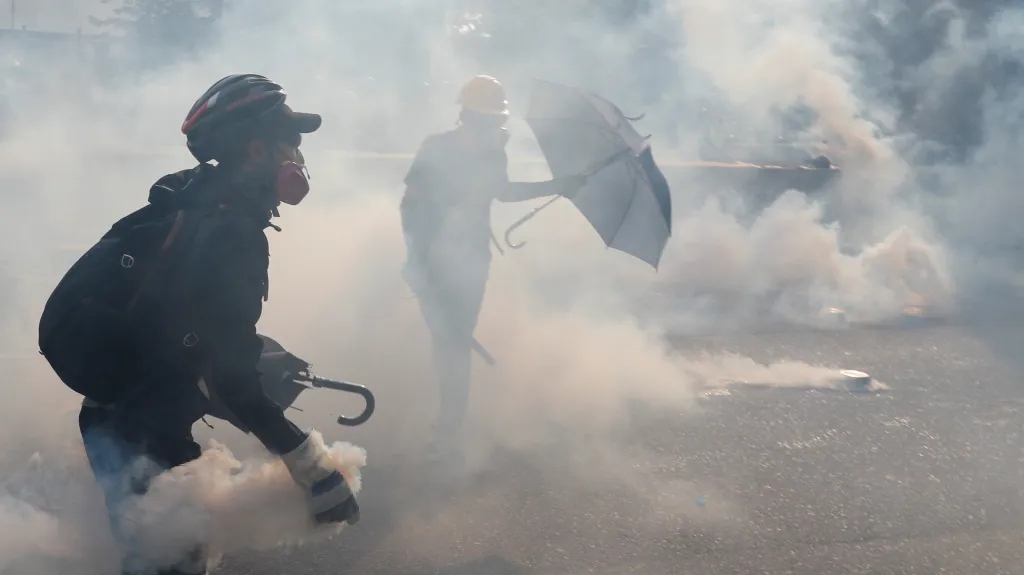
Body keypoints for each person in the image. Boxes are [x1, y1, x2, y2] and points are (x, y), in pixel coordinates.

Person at [39, 74, 359, 575]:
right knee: (168, 564)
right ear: (255, 151)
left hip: (126, 419)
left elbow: (185, 329)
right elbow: (227, 375)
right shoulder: (231, 234)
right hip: (140, 433)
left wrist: (260, 358)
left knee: (168, 558)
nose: (297, 157)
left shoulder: (196, 203)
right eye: (288, 144)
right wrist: (314, 470)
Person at [400, 75, 586, 459]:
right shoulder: (436, 149)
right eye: (487, 121)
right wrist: (416, 258)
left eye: (495, 122)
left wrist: (557, 185)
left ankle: (449, 428)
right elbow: (410, 205)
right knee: (446, 341)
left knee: (455, 341)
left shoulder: (492, 155)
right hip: (434, 259)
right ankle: (447, 422)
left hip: (471, 260)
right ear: (467, 117)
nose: (494, 128)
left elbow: (502, 192)